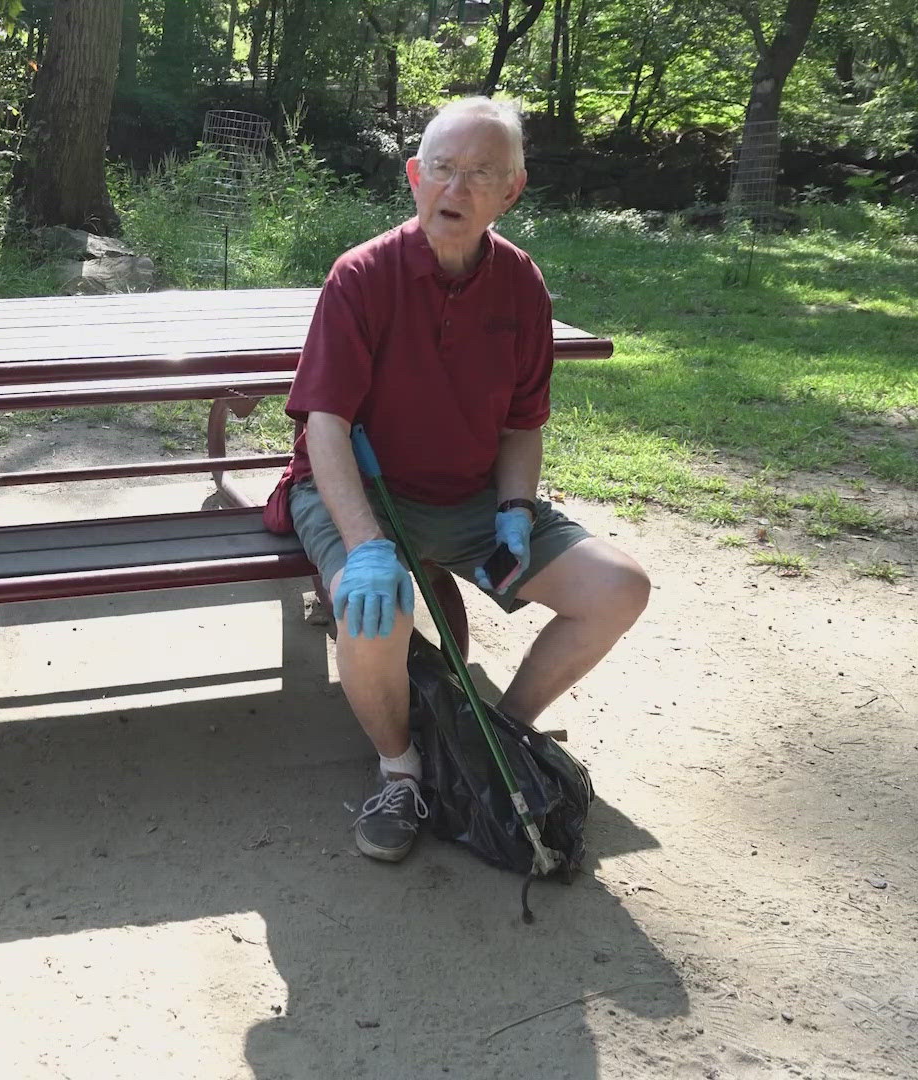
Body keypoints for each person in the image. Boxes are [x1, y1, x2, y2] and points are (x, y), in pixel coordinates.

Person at [277, 96, 651, 863]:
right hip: (360, 490)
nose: (458, 188)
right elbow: (325, 426)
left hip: (474, 497)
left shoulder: (520, 283)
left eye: (482, 173)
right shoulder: (362, 276)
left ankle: (496, 736)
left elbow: (521, 422)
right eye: (443, 169)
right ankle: (402, 769)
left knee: (619, 587)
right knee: (374, 608)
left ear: (511, 191)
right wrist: (366, 546)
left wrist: (515, 509)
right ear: (415, 178)